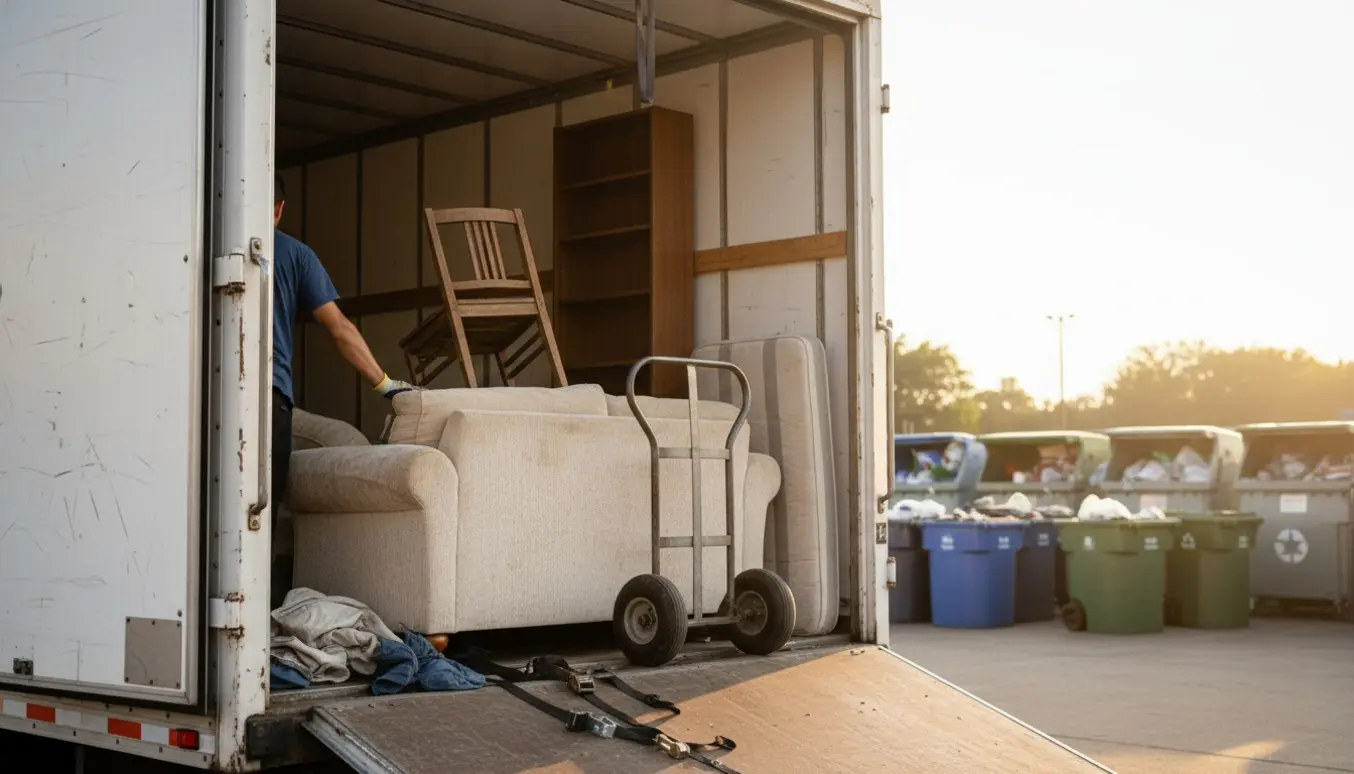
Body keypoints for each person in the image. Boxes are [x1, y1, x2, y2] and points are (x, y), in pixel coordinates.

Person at [271, 173, 415, 603]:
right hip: (265, 400)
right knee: (267, 505)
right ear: (280, 209)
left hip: (198, 400)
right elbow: (337, 327)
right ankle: (266, 609)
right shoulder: (293, 253)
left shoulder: (197, 241)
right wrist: (386, 384)